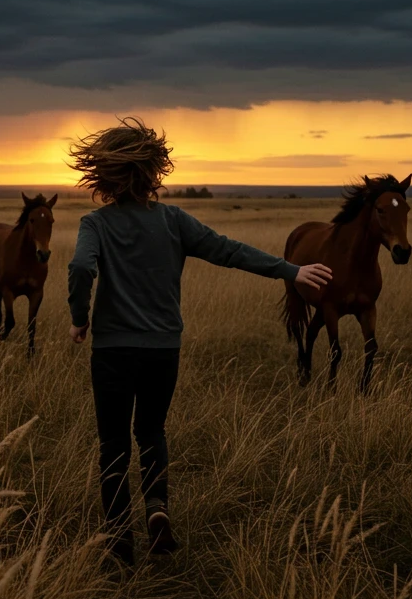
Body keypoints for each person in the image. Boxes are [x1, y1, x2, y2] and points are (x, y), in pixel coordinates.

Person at [66, 117, 332, 567]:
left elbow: (79, 268)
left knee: (113, 443)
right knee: (151, 431)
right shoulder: (174, 220)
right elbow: (230, 251)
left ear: (105, 176)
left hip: (112, 351)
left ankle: (118, 545)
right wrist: (291, 270)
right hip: (163, 350)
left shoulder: (95, 224)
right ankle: (157, 510)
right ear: (154, 171)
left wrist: (79, 317)